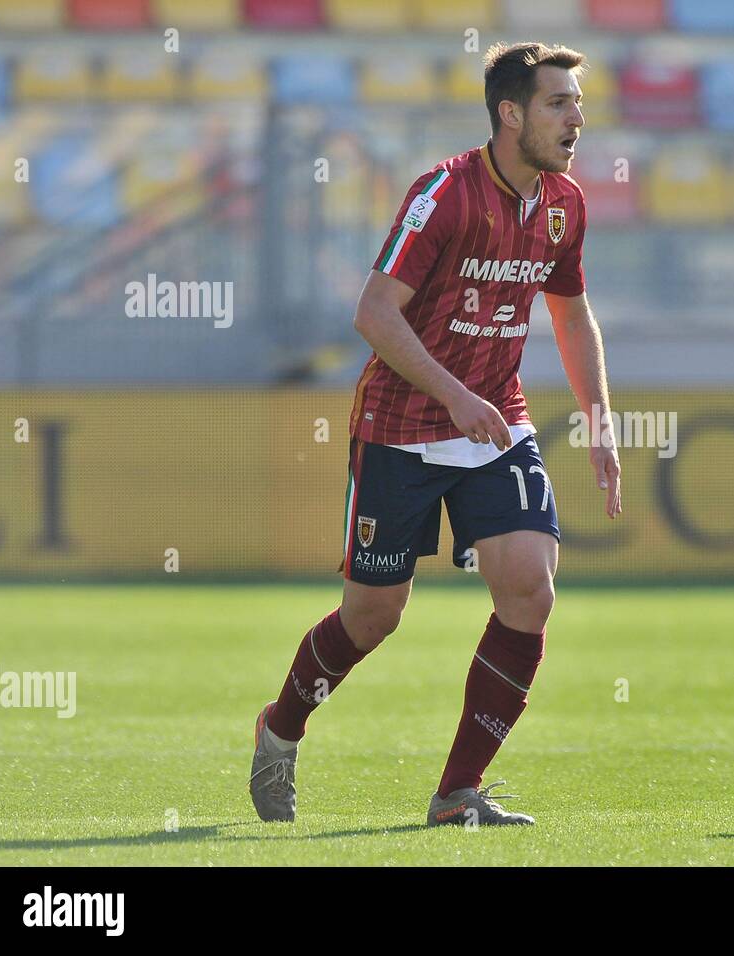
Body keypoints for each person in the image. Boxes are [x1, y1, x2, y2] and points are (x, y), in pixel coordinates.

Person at [249, 41, 621, 827]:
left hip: (495, 423)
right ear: (510, 113)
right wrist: (453, 396)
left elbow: (571, 313)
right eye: (559, 103)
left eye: (578, 104)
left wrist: (600, 421)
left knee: (530, 586)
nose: (576, 119)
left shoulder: (564, 204)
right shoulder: (443, 194)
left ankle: (457, 793)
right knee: (372, 617)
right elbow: (373, 312)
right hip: (403, 426)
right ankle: (280, 729)